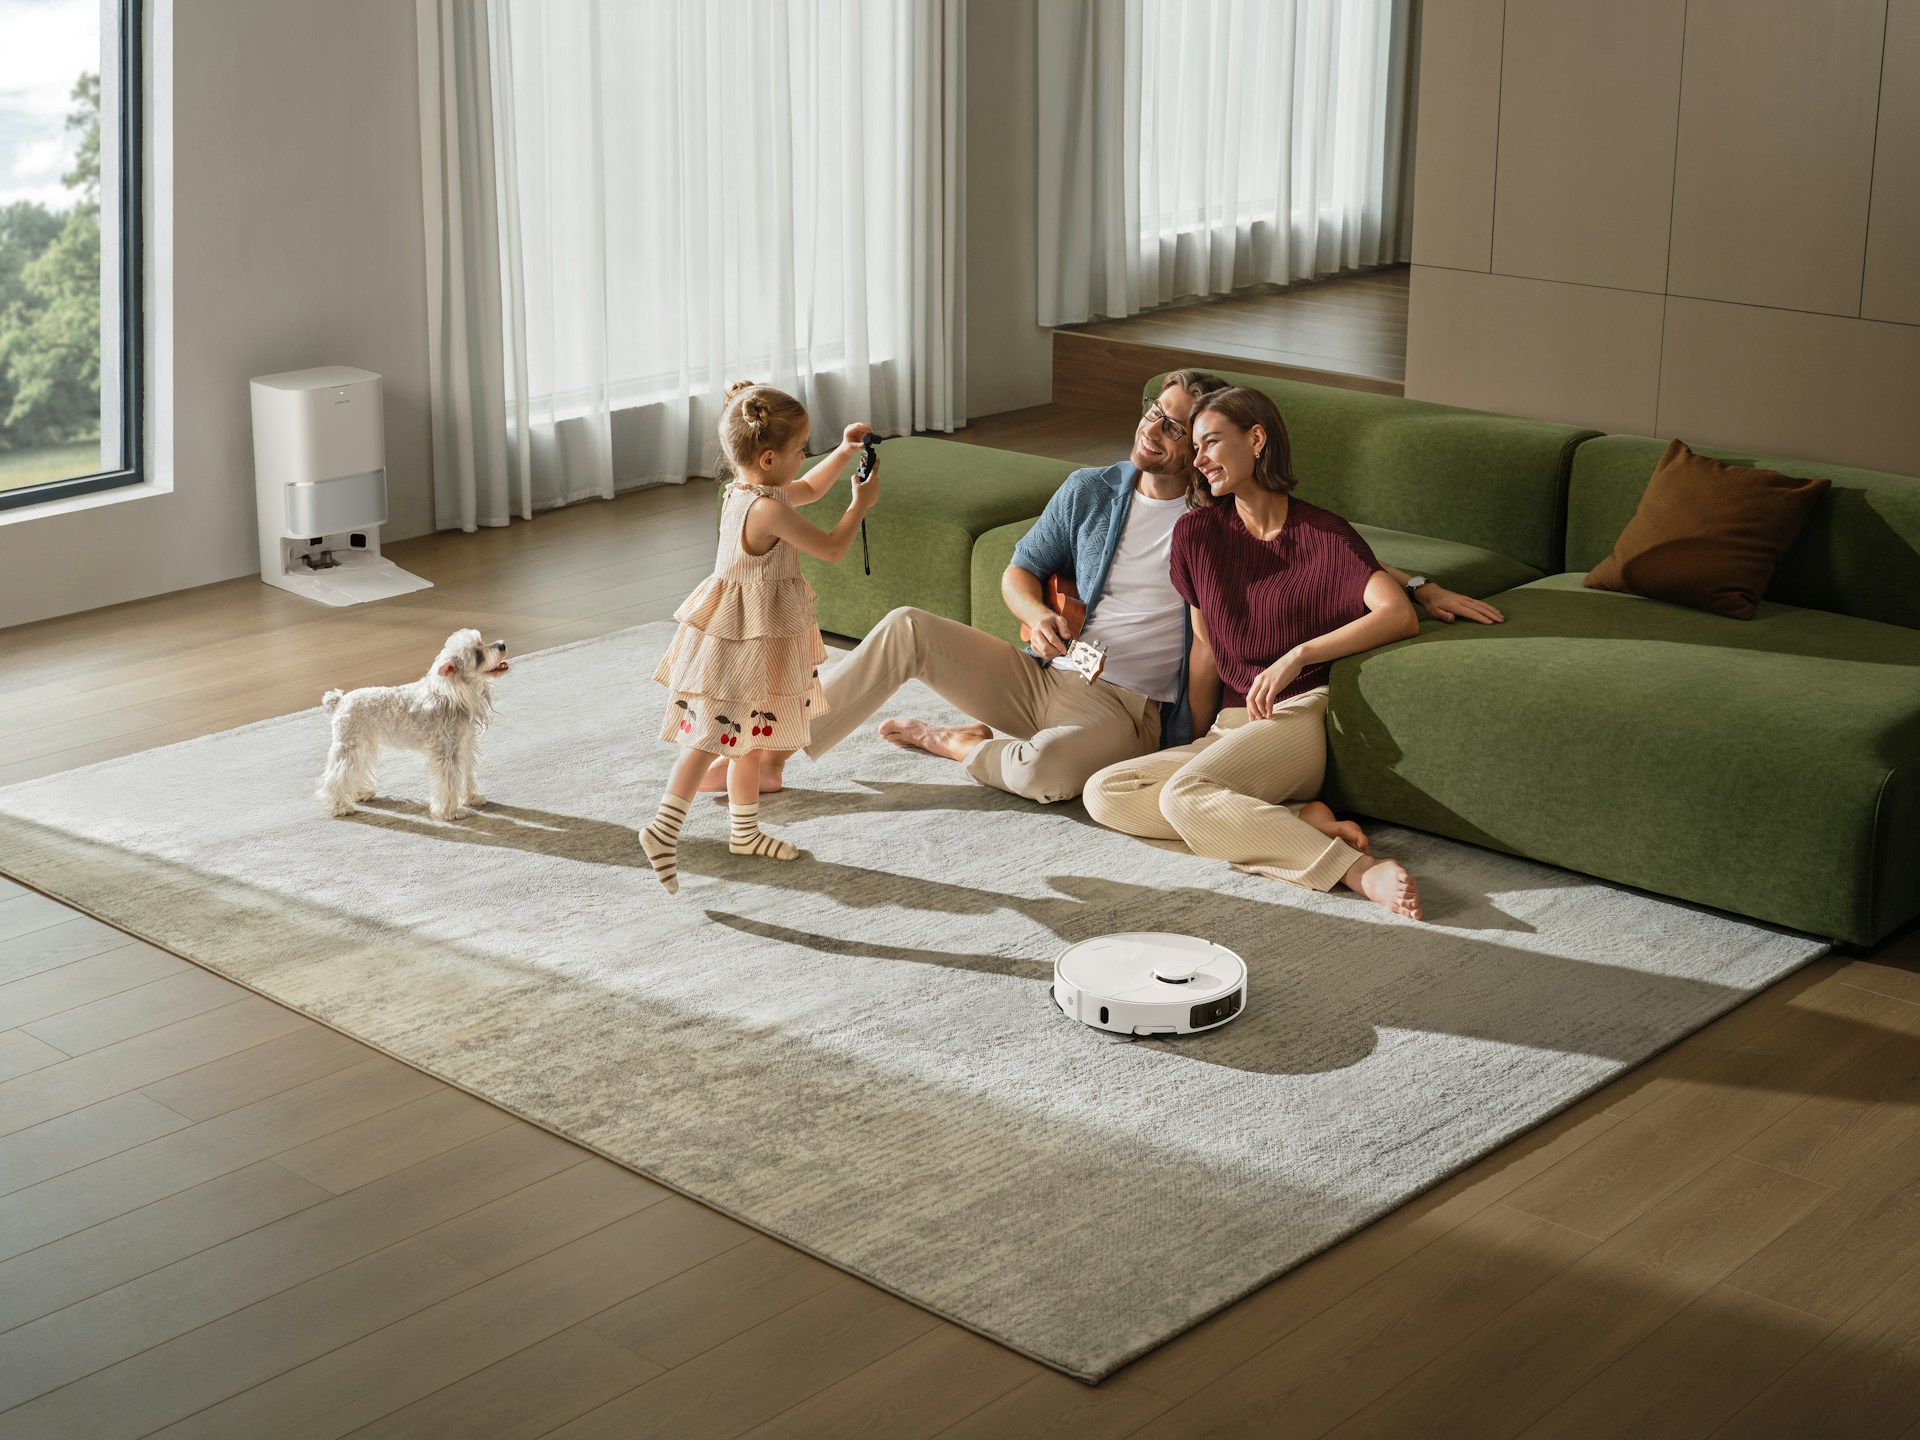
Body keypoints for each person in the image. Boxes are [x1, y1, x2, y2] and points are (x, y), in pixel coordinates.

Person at [1082, 386, 1426, 919]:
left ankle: (1357, 872)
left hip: (1297, 714)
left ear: (1257, 439)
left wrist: (1296, 655)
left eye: (1211, 442)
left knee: (1182, 796)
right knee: (1105, 791)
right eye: (1194, 447)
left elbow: (1397, 614)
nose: (1198, 460)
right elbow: (1203, 646)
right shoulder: (1195, 534)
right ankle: (1293, 819)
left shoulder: (1323, 533)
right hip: (1233, 722)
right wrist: (1199, 739)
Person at [641, 381, 880, 894]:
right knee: (710, 739)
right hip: (740, 642)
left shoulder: (746, 490)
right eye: (801, 450)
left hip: (757, 638)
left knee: (750, 737)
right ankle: (663, 829)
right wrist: (860, 505)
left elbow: (811, 489)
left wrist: (843, 452)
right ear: (770, 456)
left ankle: (744, 833)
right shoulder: (768, 509)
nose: (804, 458)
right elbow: (834, 548)